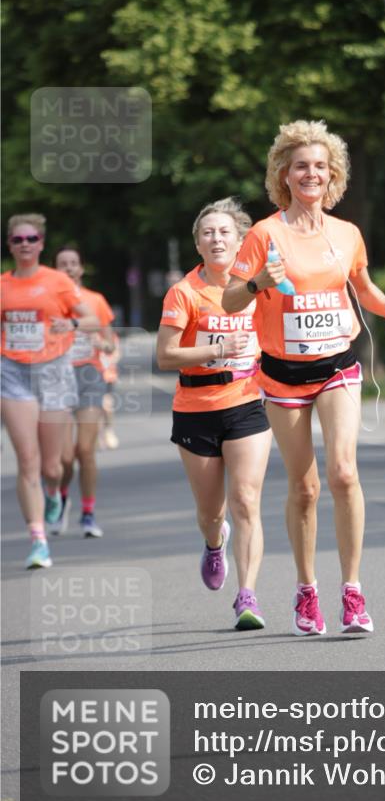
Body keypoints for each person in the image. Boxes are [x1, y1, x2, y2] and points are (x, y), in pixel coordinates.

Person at [223, 120, 385, 636]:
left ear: (333, 176)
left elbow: (363, 286)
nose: (311, 173)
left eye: (321, 166)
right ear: (284, 174)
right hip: (283, 375)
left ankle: (352, 591)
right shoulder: (265, 234)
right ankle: (307, 590)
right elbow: (231, 298)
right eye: (302, 165)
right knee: (304, 488)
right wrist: (258, 281)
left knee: (344, 473)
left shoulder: (346, 233)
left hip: (337, 366)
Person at [156, 198, 272, 630]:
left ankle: (248, 596)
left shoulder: (258, 291)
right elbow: (166, 355)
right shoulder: (184, 292)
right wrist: (216, 350)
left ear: (241, 242)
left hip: (246, 403)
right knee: (213, 513)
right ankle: (213, 543)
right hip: (195, 408)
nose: (216, 238)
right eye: (208, 233)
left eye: (225, 232)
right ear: (198, 245)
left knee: (246, 500)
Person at [1, 214, 96, 569]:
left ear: (41, 243)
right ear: (9, 245)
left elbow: (91, 319)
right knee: (28, 461)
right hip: (12, 373)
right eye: (17, 239)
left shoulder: (57, 281)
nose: (24, 244)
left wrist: (69, 322)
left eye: (31, 238)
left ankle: (54, 492)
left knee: (53, 467)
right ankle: (38, 540)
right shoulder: (3, 284)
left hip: (53, 371)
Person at [54, 247, 115, 537]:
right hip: (55, 377)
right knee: (64, 458)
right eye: (62, 264)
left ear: (80, 269)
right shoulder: (49, 301)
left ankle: (88, 513)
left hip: (89, 375)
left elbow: (110, 343)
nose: (68, 268)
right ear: (54, 269)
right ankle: (62, 496)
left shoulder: (95, 301)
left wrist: (102, 345)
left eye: (73, 263)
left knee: (85, 450)